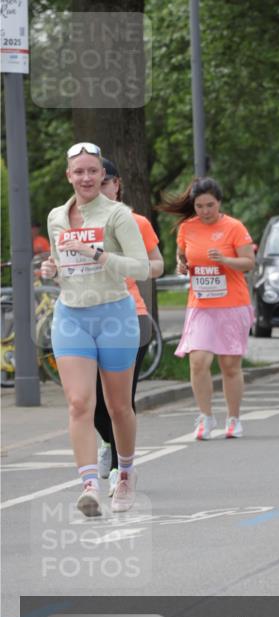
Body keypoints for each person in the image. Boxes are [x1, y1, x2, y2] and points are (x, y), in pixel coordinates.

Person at [41, 142, 149, 516]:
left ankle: (126, 474)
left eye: (92, 171)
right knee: (78, 403)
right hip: (72, 315)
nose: (86, 178)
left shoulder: (117, 215)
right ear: (68, 176)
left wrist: (100, 255)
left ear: (103, 175)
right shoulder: (57, 216)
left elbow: (143, 267)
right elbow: (61, 262)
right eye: (79, 172)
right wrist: (50, 270)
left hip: (115, 315)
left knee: (119, 406)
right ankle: (89, 485)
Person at [159, 178, 255, 439]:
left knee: (229, 365)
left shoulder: (234, 228)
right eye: (199, 206)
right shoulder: (187, 227)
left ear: (219, 202)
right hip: (201, 304)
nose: (205, 211)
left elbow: (249, 263)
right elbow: (182, 255)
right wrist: (182, 265)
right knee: (198, 361)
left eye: (210, 205)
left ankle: (233, 419)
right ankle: (206, 417)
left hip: (232, 304)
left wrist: (224, 260)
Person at [94, 159, 164, 495]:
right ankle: (108, 442)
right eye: (92, 179)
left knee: (120, 401)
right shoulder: (77, 222)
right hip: (87, 316)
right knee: (92, 405)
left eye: (105, 180)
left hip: (129, 314)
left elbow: (156, 266)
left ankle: (123, 468)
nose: (99, 187)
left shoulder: (136, 222)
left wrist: (121, 263)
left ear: (116, 184)